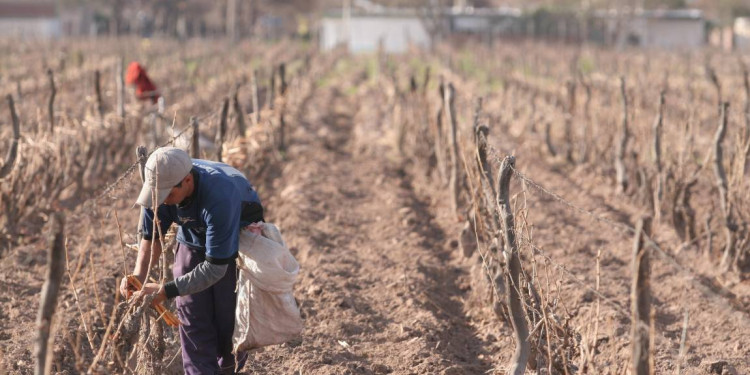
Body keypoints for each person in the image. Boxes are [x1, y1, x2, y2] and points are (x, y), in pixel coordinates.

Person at [119, 146, 264, 374]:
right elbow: (151, 238)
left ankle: (228, 367)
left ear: (187, 180)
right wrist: (139, 275)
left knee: (227, 326)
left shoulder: (220, 196)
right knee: (193, 319)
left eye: (169, 194)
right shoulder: (159, 191)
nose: (164, 201)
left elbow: (215, 268)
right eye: (159, 195)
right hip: (191, 234)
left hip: (234, 239)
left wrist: (164, 290)